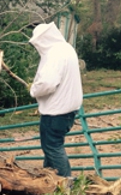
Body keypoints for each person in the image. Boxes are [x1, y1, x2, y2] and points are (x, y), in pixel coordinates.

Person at [28, 22, 83, 177]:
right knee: (51, 148)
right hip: (67, 110)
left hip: (56, 112)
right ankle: (49, 180)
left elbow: (47, 83)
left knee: (53, 147)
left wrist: (33, 90)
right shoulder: (66, 49)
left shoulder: (55, 54)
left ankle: (66, 185)